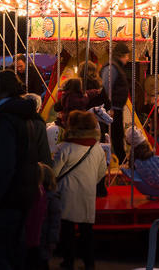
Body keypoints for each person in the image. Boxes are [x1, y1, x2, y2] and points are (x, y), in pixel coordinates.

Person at [0, 70, 52, 270]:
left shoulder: (5, 119)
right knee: (14, 249)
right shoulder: (23, 117)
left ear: (4, 91)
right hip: (21, 191)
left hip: (7, 195)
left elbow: (5, 162)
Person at [52, 110, 107, 270]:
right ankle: (89, 262)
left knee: (67, 230)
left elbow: (54, 172)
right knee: (87, 230)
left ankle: (68, 261)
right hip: (87, 193)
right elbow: (101, 172)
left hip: (67, 193)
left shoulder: (64, 147)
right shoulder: (97, 149)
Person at [24, 162, 61, 270]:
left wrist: (52, 240)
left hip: (42, 238)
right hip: (39, 237)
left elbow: (54, 221)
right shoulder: (43, 195)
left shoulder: (49, 197)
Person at [100, 43, 131, 163]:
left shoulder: (115, 67)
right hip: (112, 108)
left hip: (116, 107)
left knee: (117, 135)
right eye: (126, 56)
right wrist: (109, 107)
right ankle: (120, 160)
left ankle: (120, 159)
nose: (128, 59)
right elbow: (106, 87)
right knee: (115, 135)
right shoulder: (111, 68)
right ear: (121, 55)